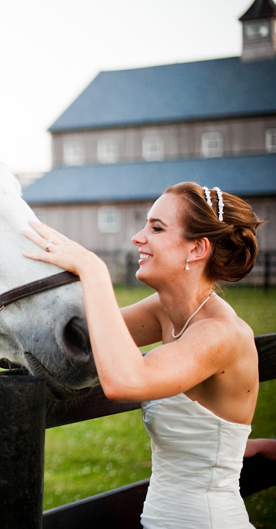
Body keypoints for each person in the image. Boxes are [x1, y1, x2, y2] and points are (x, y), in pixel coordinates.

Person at [23, 182, 265, 528]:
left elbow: (126, 381)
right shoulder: (166, 311)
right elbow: (87, 336)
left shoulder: (221, 333)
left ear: (197, 248)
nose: (138, 237)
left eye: (156, 227)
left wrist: (94, 271)